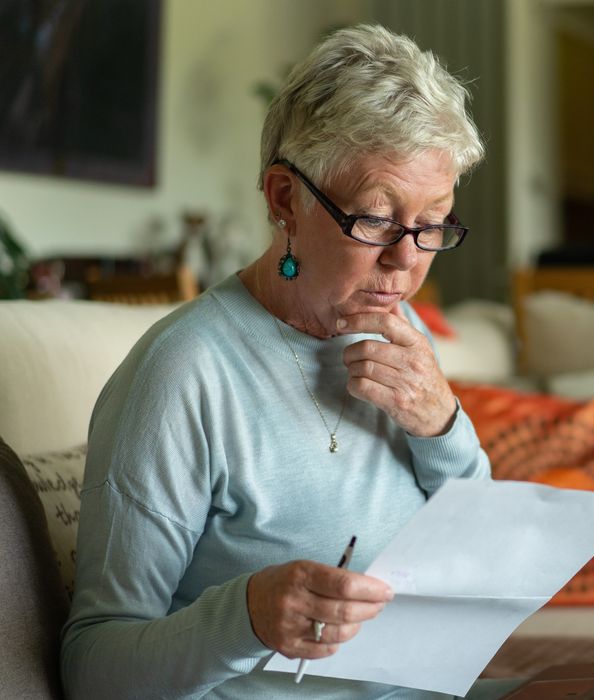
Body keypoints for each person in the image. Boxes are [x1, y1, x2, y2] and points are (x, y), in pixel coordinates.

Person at [61, 24, 501, 699]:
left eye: (432, 222)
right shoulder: (183, 373)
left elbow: (477, 546)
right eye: (377, 220)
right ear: (283, 199)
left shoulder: (398, 326)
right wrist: (244, 620)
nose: (407, 259)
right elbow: (95, 668)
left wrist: (443, 426)